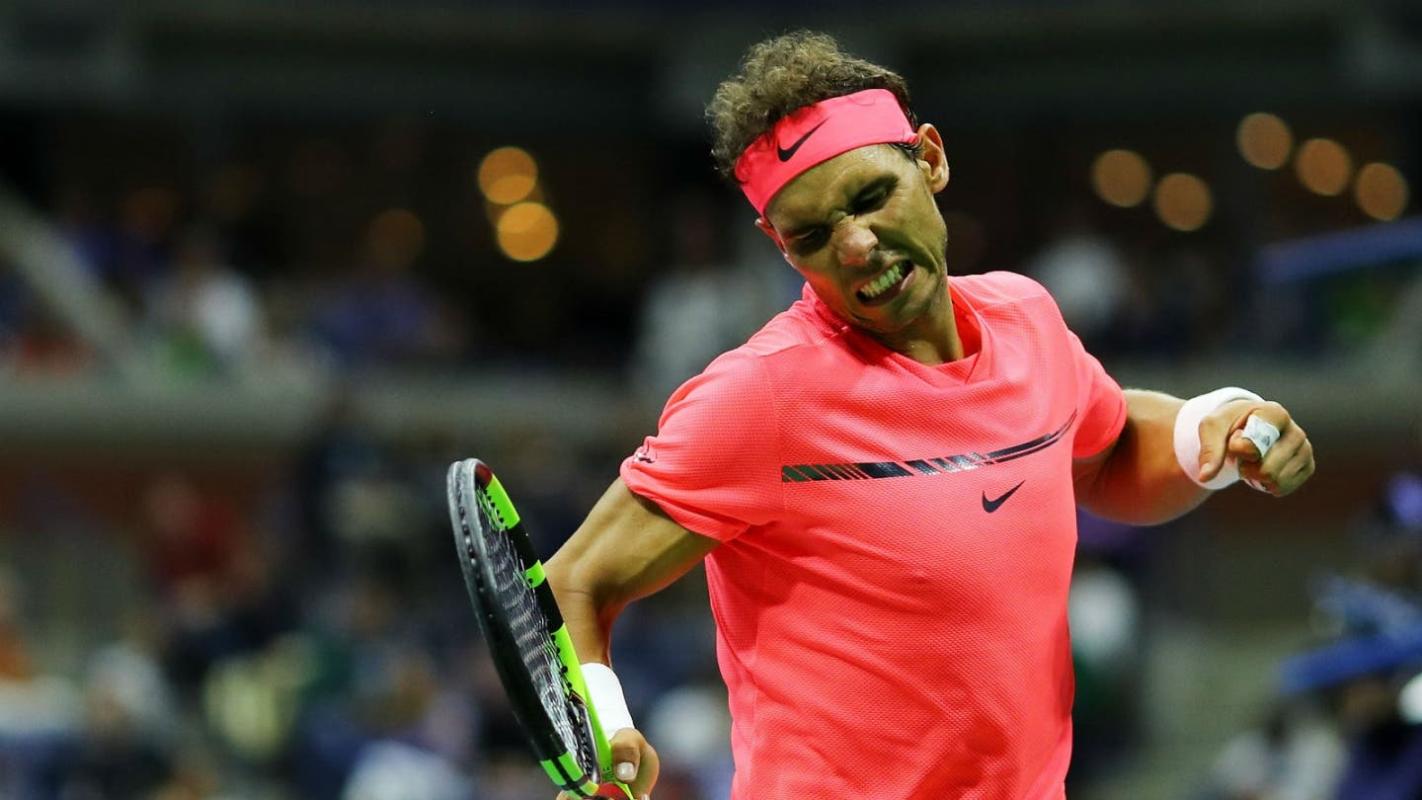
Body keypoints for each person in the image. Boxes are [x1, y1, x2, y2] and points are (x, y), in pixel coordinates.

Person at [546, 31, 1317, 800]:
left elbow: (1109, 452)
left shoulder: (1026, 318)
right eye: (811, 236)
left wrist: (1215, 426)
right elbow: (573, 581)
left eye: (871, 197)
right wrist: (601, 733)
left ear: (930, 159)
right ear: (777, 244)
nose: (855, 246)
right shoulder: (761, 395)